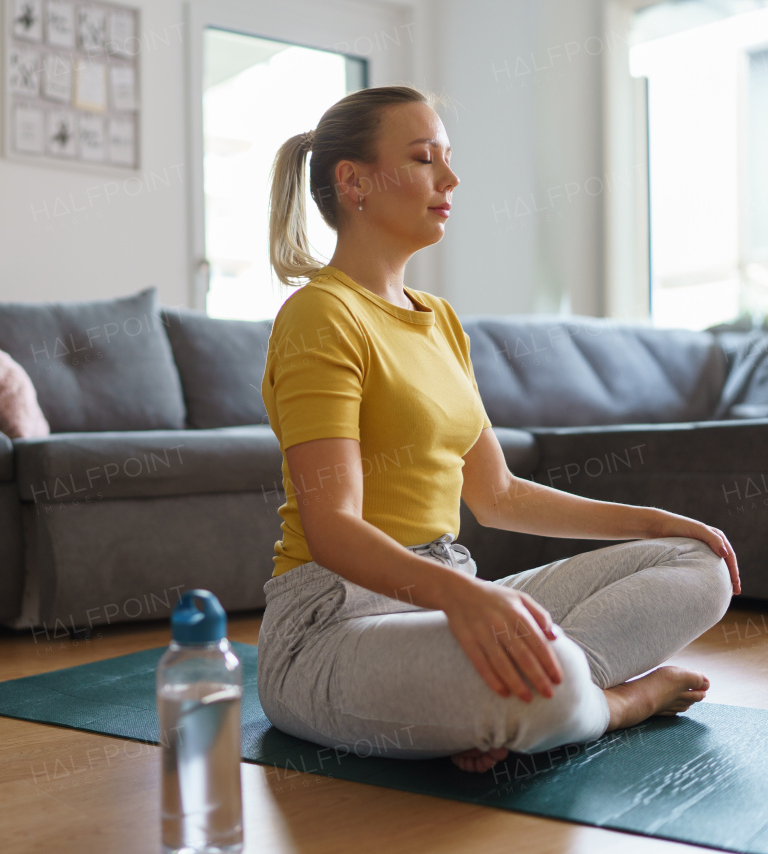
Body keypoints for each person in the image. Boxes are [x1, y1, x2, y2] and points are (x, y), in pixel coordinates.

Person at [256, 85, 738, 774]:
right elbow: (330, 528)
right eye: (425, 160)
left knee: (703, 566)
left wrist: (654, 523)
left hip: (451, 588)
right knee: (555, 676)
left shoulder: (442, 321)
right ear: (353, 181)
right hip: (334, 623)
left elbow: (499, 495)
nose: (450, 180)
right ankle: (612, 703)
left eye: (448, 160)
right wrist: (470, 599)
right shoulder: (320, 316)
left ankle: (537, 698)